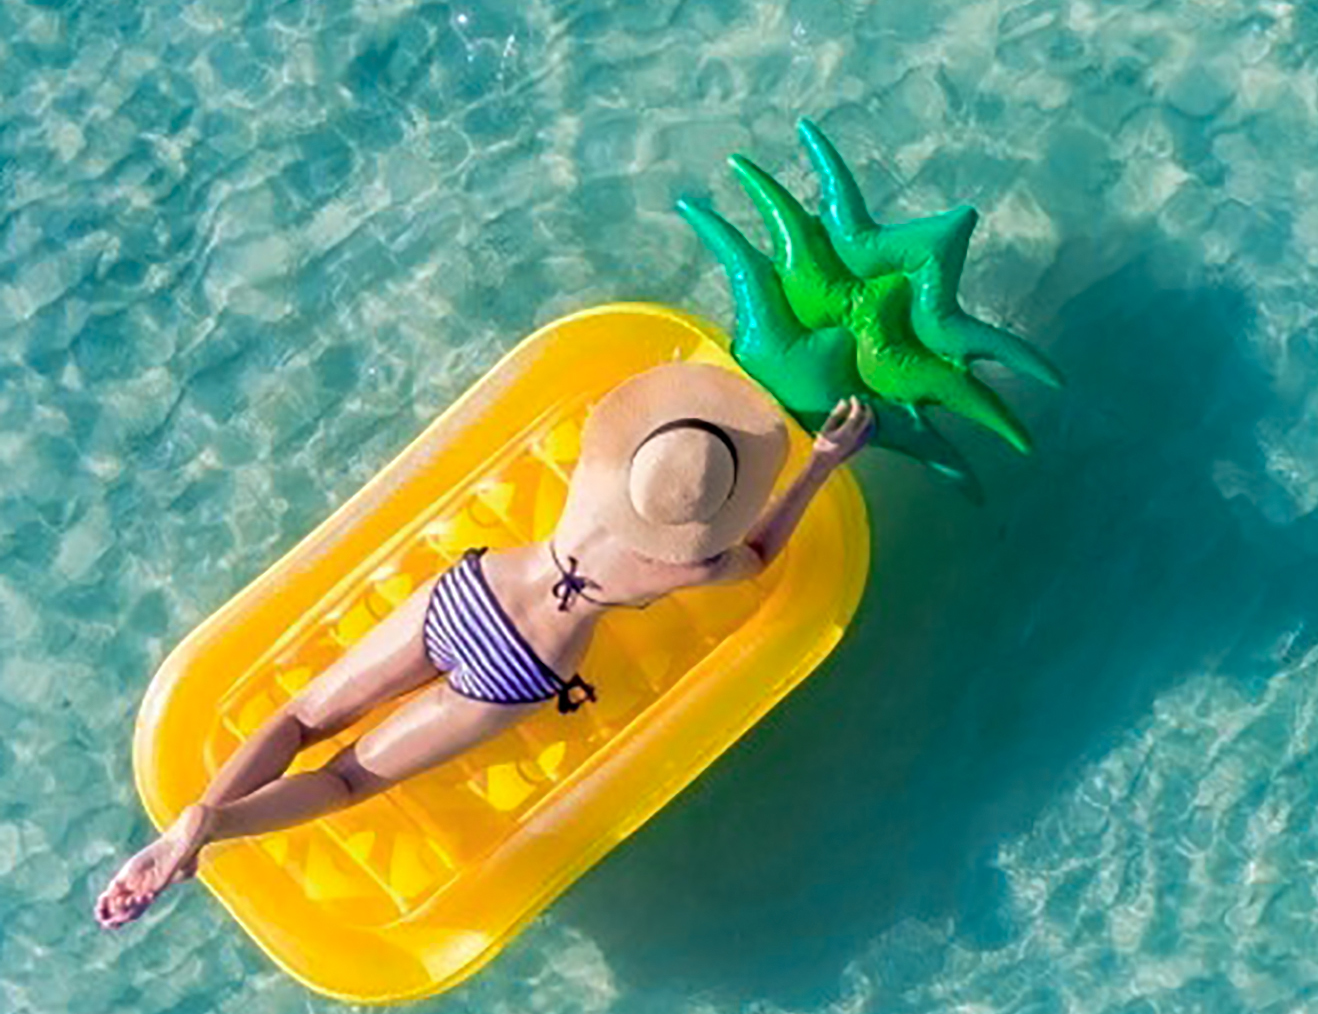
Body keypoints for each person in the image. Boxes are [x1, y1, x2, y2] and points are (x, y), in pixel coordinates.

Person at [95, 365, 874, 931]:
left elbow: (628, 407)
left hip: (472, 592)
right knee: (346, 781)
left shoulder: (599, 467)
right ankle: (214, 829)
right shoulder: (692, 564)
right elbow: (760, 555)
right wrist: (820, 464)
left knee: (301, 718)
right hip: (524, 665)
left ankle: (190, 827)